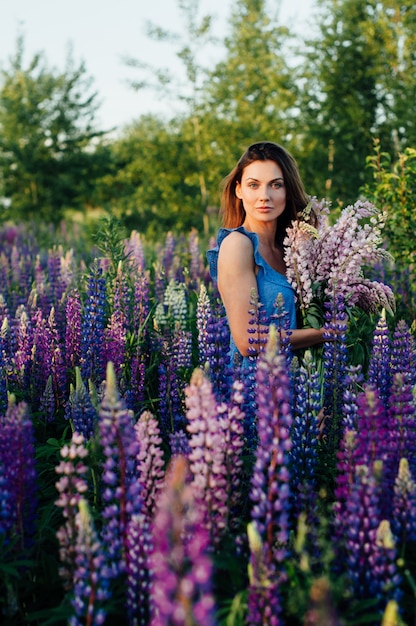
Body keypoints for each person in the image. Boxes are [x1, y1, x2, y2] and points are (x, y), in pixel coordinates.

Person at [207, 141, 329, 368]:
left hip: (299, 388)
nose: (264, 195)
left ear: (288, 190)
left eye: (276, 185)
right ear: (239, 189)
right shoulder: (237, 245)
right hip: (254, 391)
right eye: (253, 185)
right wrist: (324, 333)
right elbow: (247, 341)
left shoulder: (293, 250)